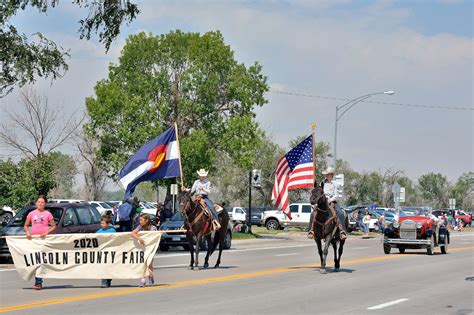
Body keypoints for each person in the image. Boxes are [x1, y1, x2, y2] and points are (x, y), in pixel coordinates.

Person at [23, 195, 57, 290]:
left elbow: (54, 226)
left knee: (41, 261)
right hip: (34, 240)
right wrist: (28, 232)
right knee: (35, 261)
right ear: (36, 203)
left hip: (44, 240)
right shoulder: (31, 214)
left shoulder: (48, 214)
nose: (40, 203)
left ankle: (38, 282)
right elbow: (25, 225)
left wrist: (46, 232)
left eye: (42, 202)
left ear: (45, 204)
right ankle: (38, 282)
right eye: (39, 202)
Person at [132, 214, 157, 287]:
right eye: (139, 220)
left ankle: (151, 278)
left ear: (147, 220)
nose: (140, 222)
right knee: (143, 264)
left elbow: (153, 237)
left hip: (150, 248)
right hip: (143, 248)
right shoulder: (140, 227)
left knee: (149, 264)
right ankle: (143, 280)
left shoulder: (153, 228)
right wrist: (139, 239)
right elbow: (133, 233)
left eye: (141, 220)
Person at [96, 215, 116, 288]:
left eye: (103, 223)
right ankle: (104, 282)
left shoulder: (112, 230)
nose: (102, 225)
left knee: (110, 267)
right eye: (101, 223)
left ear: (108, 224)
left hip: (110, 251)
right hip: (102, 252)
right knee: (103, 266)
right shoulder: (99, 231)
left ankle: (108, 279)